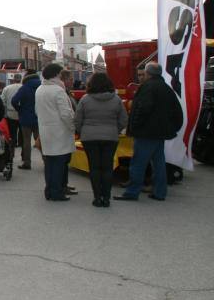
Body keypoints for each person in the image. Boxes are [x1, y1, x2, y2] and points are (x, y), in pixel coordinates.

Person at [114, 62, 183, 201]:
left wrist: (134, 126)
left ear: (147, 73)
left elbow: (143, 109)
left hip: (146, 132)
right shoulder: (166, 88)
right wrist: (171, 128)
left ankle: (132, 192)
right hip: (160, 133)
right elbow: (177, 111)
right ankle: (160, 192)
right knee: (158, 164)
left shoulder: (147, 87)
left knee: (138, 163)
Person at [75, 73, 128, 207]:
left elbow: (77, 119)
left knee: (94, 167)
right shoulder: (116, 99)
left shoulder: (85, 99)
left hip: (89, 137)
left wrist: (82, 131)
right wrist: (115, 129)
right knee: (107, 167)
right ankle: (106, 197)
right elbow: (123, 120)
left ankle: (97, 197)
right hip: (110, 137)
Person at [35, 63, 76, 201]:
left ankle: (50, 191)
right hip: (59, 132)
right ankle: (57, 192)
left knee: (50, 164)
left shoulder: (40, 89)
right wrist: (73, 127)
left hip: (46, 131)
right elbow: (66, 114)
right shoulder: (58, 90)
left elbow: (37, 111)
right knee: (59, 164)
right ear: (56, 74)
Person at [12, 72, 41, 170]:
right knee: (40, 141)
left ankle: (27, 163)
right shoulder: (41, 86)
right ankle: (47, 161)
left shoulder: (24, 88)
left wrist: (20, 109)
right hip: (39, 118)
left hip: (26, 118)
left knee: (26, 141)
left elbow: (14, 100)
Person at [0, 73, 23, 148]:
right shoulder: (23, 87)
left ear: (13, 79)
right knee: (22, 131)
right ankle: (21, 144)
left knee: (12, 132)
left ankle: (12, 147)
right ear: (21, 79)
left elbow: (2, 101)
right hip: (22, 113)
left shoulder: (7, 88)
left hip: (10, 113)